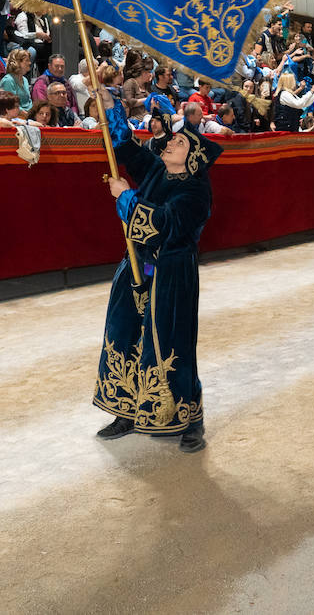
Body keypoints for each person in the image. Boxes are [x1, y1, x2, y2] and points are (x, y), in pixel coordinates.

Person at [94, 93, 222, 452]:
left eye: (179, 142)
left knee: (171, 344)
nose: (169, 142)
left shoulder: (197, 192)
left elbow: (163, 226)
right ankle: (126, 410)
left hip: (171, 276)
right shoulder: (156, 168)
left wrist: (125, 198)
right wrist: (110, 108)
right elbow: (124, 146)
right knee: (123, 335)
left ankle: (190, 421)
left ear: (193, 158)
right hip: (134, 266)